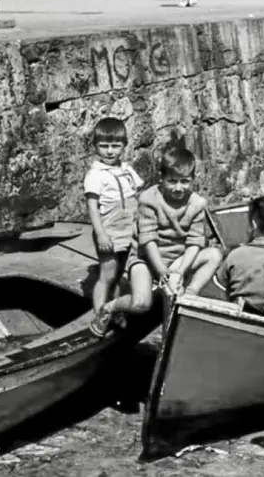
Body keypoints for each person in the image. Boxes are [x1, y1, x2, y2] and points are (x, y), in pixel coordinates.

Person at [89, 145, 222, 336]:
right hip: (147, 260)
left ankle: (189, 295)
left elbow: (194, 242)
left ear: (193, 180)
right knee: (141, 303)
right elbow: (148, 240)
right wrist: (161, 271)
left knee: (214, 255)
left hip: (177, 259)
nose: (178, 187)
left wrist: (180, 270)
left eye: (185, 182)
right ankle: (110, 306)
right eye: (172, 181)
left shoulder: (197, 204)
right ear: (162, 178)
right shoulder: (149, 199)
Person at [84, 117, 144, 321]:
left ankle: (114, 310)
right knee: (107, 274)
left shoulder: (126, 170)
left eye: (115, 146)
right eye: (104, 146)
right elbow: (92, 207)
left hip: (129, 228)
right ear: (95, 147)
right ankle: (99, 314)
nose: (110, 151)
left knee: (120, 274)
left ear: (124, 146)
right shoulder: (95, 175)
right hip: (109, 230)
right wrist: (101, 234)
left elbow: (138, 194)